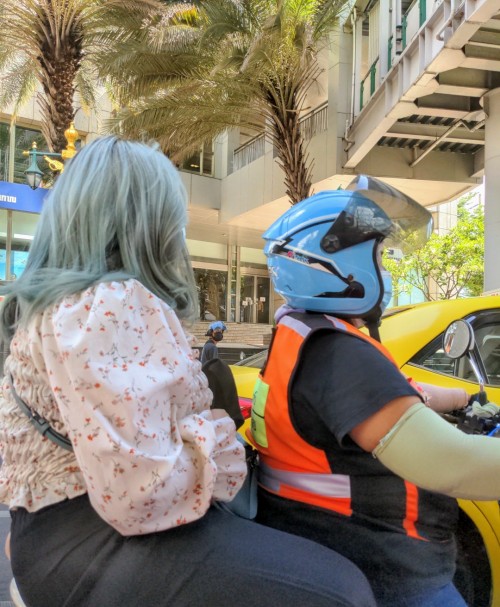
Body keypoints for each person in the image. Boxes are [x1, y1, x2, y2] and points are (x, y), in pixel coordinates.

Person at [0, 137, 377, 607]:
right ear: (149, 223)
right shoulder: (111, 303)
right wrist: (215, 436)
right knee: (342, 590)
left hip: (52, 539)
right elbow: (142, 494)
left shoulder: (47, 307)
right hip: (101, 543)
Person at [248, 175, 500, 607]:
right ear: (335, 264)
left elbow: (396, 392)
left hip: (332, 547)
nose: (384, 270)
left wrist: (461, 398)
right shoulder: (340, 356)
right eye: (379, 258)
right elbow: (449, 464)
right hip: (389, 570)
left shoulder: (303, 334)